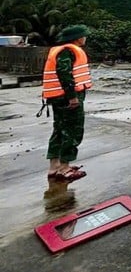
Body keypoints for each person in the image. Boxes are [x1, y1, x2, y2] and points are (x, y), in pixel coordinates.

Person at [41, 24, 92, 181]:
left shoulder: (59, 49)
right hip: (66, 96)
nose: (85, 38)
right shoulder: (68, 51)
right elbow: (65, 73)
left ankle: (54, 166)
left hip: (57, 96)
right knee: (71, 130)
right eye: (84, 35)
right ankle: (64, 168)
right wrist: (72, 97)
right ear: (77, 38)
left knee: (59, 129)